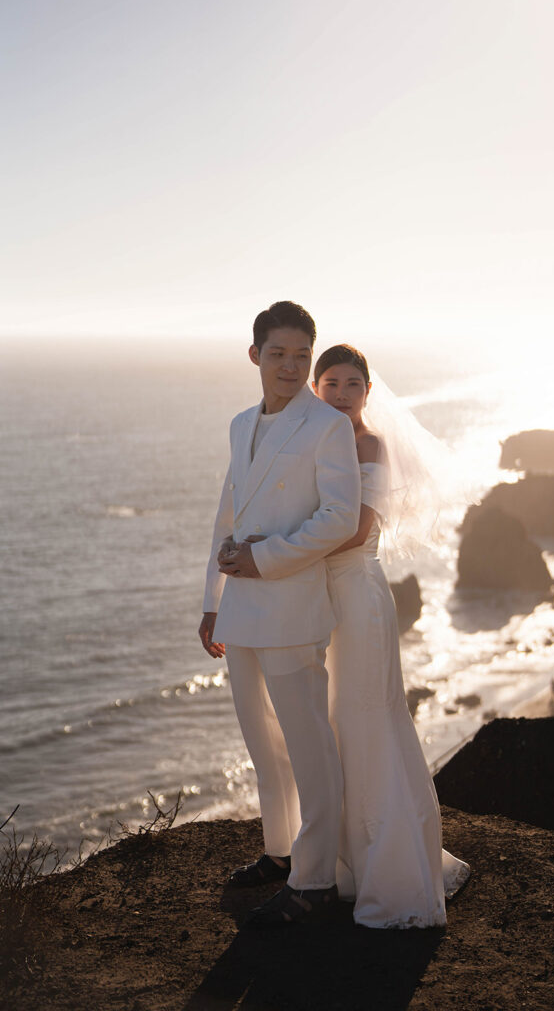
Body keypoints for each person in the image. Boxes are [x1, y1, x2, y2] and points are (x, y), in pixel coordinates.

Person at [198, 302, 361, 926]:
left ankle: (315, 882)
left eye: (301, 355)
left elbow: (339, 519)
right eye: (278, 354)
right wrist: (211, 602)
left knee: (309, 748)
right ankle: (278, 852)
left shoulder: (327, 426)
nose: (290, 366)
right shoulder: (241, 424)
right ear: (255, 356)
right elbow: (226, 517)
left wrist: (266, 560)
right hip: (239, 613)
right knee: (263, 744)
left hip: (292, 607)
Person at [313, 344, 470, 928]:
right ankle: (347, 864)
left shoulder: (367, 445)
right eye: (331, 382)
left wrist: (278, 556)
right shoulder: (312, 442)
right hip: (317, 602)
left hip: (357, 598)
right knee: (332, 725)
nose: (342, 392)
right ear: (315, 386)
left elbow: (358, 529)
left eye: (353, 383)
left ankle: (396, 875)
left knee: (366, 720)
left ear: (367, 392)